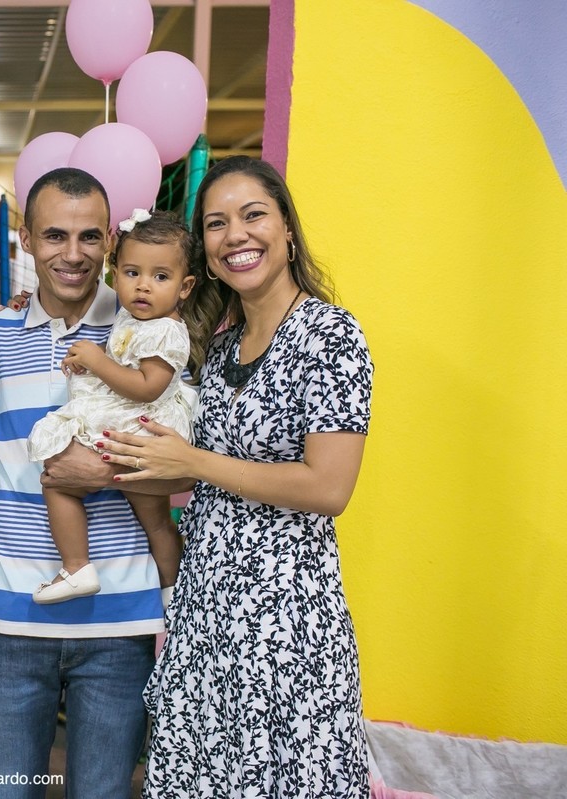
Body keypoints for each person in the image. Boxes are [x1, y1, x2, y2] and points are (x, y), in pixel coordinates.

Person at [98, 156, 373, 798]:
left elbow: (329, 488)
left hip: (285, 621)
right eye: (217, 224)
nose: (235, 235)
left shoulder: (329, 334)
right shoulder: (219, 347)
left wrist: (192, 464)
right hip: (204, 613)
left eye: (253, 215)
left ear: (287, 229)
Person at [0, 167, 188, 798]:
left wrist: (104, 470)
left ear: (110, 246)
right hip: (16, 616)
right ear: (27, 239)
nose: (72, 254)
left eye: (90, 237)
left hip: (120, 625)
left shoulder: (143, 329)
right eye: (54, 235)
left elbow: (185, 452)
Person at [26, 209, 201, 605]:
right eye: (132, 273)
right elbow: (123, 356)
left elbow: (147, 387)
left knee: (58, 479)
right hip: (130, 421)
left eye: (160, 277)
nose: (143, 287)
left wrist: (97, 361)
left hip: (140, 424)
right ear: (114, 273)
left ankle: (78, 567)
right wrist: (89, 361)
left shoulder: (167, 330)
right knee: (154, 520)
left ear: (185, 286)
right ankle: (171, 597)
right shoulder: (134, 317)